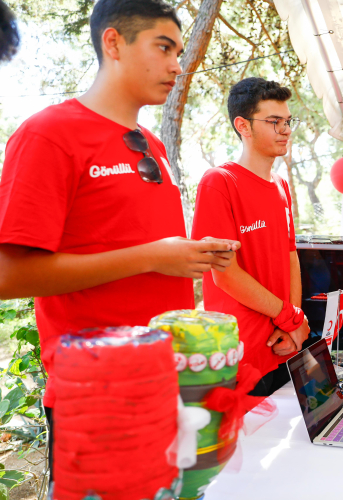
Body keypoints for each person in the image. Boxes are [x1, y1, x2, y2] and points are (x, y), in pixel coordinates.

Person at [0, 0, 239, 479]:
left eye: (179, 50)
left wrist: (186, 255)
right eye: (164, 47)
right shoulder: (49, 134)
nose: (178, 64)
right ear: (114, 43)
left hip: (171, 382)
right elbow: (9, 276)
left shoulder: (152, 146)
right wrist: (154, 257)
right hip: (97, 394)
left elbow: (133, 245)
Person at [191, 77, 310, 397]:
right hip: (241, 356)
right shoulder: (219, 182)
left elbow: (290, 257)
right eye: (274, 121)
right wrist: (290, 317)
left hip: (283, 347)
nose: (285, 129)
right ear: (242, 125)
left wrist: (294, 324)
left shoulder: (281, 185)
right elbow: (224, 276)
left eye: (288, 121)